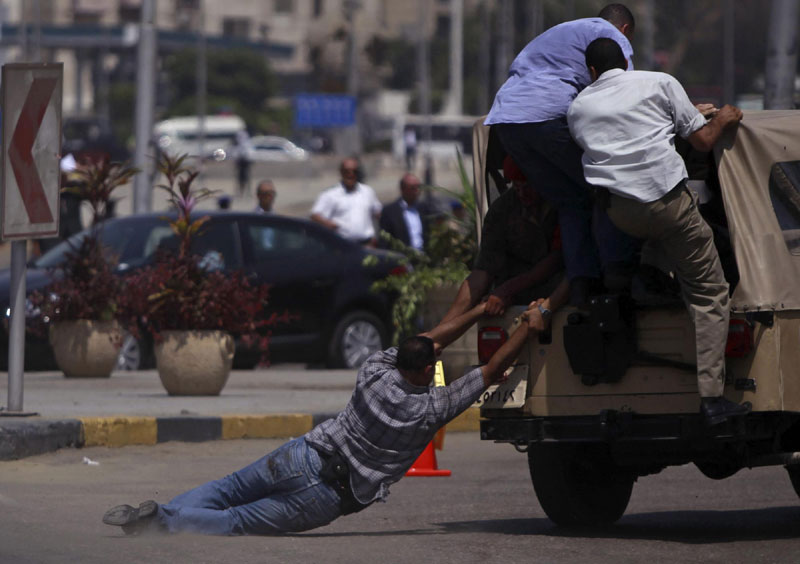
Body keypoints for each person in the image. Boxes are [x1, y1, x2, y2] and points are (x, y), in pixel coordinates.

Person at [102, 299, 552, 536]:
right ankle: (163, 522)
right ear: (425, 370)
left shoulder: (375, 368)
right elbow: (491, 371)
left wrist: (477, 311)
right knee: (238, 521)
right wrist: (526, 327)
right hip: (329, 496)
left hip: (305, 453)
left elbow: (428, 339)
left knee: (226, 490)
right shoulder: (429, 409)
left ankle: (161, 510)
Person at [566, 37, 747, 425]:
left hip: (622, 217)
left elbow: (619, 136)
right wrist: (723, 118)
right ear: (626, 64)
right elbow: (702, 140)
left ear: (592, 73)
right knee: (710, 293)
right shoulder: (659, 83)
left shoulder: (578, 107)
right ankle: (713, 399)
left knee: (656, 231)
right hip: (667, 206)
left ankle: (646, 270)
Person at [485, 3, 639, 305]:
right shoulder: (610, 36)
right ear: (625, 30)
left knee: (571, 201)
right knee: (606, 187)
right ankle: (617, 278)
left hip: (506, 120)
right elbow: (624, 91)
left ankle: (581, 284)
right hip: (547, 116)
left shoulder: (559, 33)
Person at [441, 155, 564, 322]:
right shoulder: (502, 210)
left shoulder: (562, 203)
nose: (522, 194)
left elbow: (555, 260)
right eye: (517, 187)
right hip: (515, 299)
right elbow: (483, 272)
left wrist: (507, 290)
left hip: (559, 294)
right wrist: (443, 328)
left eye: (527, 187)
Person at [311, 157, 382, 246]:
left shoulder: (367, 191)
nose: (350, 174)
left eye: (354, 171)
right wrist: (329, 224)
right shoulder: (330, 194)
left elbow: (378, 213)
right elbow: (315, 215)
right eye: (346, 171)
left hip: (367, 245)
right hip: (342, 246)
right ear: (341, 172)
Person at [378, 173, 426, 251]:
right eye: (413, 188)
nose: (417, 191)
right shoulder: (390, 212)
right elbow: (384, 241)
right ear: (403, 189)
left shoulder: (424, 208)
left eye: (419, 187)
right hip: (402, 259)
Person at [233, 130, 253, 196]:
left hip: (244, 162)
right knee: (242, 179)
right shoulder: (245, 143)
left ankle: (244, 192)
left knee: (244, 179)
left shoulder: (245, 143)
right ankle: (243, 192)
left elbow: (246, 153)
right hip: (242, 163)